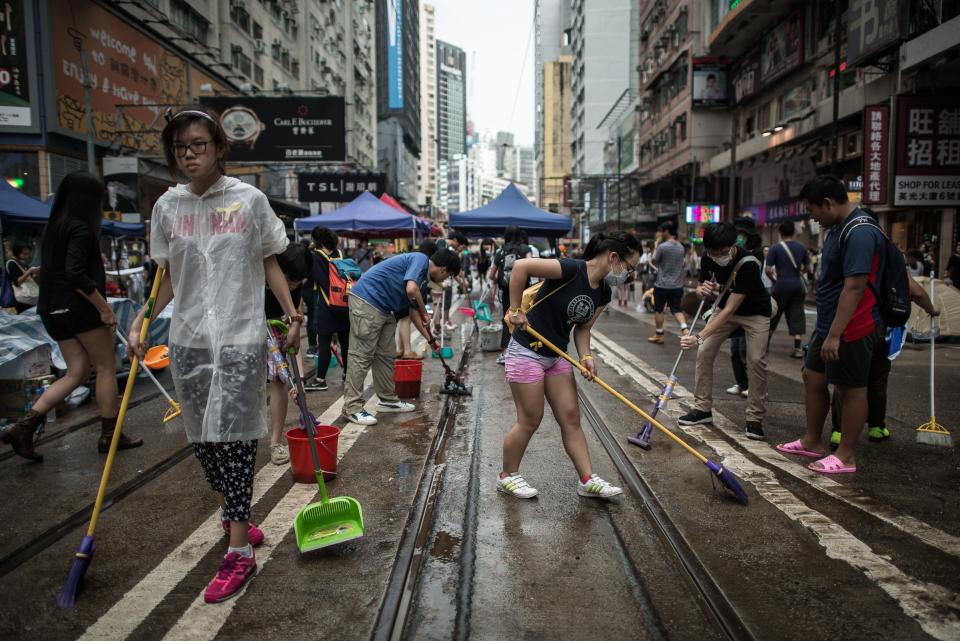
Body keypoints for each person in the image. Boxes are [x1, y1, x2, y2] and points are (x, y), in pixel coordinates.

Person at [127, 106, 302, 603]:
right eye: (180, 147)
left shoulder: (249, 200)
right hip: (188, 341)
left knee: (238, 439)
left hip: (240, 336)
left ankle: (239, 550)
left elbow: (270, 261)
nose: (189, 155)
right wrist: (141, 319)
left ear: (219, 147)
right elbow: (166, 279)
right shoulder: (167, 207)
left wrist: (291, 315)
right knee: (203, 440)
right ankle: (237, 518)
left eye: (198, 145)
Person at [2, 172, 141, 461]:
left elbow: (61, 269)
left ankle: (24, 427)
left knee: (76, 372)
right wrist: (104, 308)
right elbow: (76, 274)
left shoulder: (54, 227)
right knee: (105, 367)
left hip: (52, 310)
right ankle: (110, 435)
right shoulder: (80, 228)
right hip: (79, 309)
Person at [498, 232, 639, 500]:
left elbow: (582, 330)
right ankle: (507, 475)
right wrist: (515, 309)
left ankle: (586, 480)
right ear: (613, 258)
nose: (629, 275)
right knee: (531, 419)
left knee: (571, 418)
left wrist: (586, 357)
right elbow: (521, 266)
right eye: (629, 267)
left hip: (556, 355)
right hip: (527, 351)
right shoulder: (571, 269)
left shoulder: (604, 292)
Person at [775, 175, 886, 474]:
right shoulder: (837, 227)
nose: (811, 217)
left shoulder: (860, 231)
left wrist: (835, 335)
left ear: (828, 203)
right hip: (828, 323)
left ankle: (846, 455)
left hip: (853, 325)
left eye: (812, 210)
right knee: (813, 376)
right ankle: (812, 440)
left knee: (851, 389)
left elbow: (855, 287)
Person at [343, 248, 461, 426]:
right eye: (448, 276)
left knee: (385, 355)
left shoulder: (421, 278)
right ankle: (351, 408)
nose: (446, 280)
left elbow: (414, 315)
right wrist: (424, 311)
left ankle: (387, 400)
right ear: (444, 270)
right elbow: (412, 291)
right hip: (367, 301)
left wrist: (431, 341)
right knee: (361, 356)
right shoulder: (421, 259)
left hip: (384, 308)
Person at [678, 222, 772, 441]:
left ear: (733, 245)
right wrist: (702, 290)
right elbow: (702, 289)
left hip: (755, 312)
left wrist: (699, 336)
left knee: (756, 359)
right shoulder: (707, 257)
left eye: (721, 252)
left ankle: (754, 419)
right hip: (725, 307)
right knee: (704, 352)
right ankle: (702, 409)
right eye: (712, 251)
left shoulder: (748, 263)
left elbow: (730, 310)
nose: (717, 256)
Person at [829, 275, 940, 446]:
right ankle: (876, 427)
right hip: (882, 329)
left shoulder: (854, 258)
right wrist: (931, 309)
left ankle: (839, 431)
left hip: (852, 326)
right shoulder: (891, 258)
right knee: (878, 379)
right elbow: (917, 292)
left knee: (846, 381)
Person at [264, 243, 311, 465]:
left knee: (279, 383)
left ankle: (275, 443)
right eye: (289, 281)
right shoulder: (260, 279)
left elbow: (294, 346)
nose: (292, 287)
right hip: (254, 327)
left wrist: (298, 382)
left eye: (297, 282)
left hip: (278, 328)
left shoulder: (297, 285)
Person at [304, 226, 351, 391]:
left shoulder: (316, 257)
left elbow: (318, 280)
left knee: (324, 343)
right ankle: (347, 374)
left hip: (326, 306)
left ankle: (320, 379)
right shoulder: (340, 254)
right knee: (346, 342)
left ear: (317, 240)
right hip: (344, 304)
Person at [766, 221, 811, 358]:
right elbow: (808, 268)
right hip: (797, 285)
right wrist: (798, 273)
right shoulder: (802, 247)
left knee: (773, 314)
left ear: (780, 233)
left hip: (781, 285)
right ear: (793, 233)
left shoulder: (775, 248)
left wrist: (775, 280)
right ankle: (798, 349)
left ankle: (764, 345)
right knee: (797, 314)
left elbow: (768, 269)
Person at [491, 225, 533, 364]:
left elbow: (491, 274)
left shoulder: (500, 252)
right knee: (525, 320)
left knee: (507, 319)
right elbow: (533, 268)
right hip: (524, 292)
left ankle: (506, 353)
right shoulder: (526, 249)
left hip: (507, 292)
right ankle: (525, 352)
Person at [648, 222, 689, 343]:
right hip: (677, 285)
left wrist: (655, 246)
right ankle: (684, 328)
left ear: (666, 231)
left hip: (662, 285)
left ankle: (659, 334)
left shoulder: (663, 247)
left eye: (662, 231)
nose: (661, 233)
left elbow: (654, 260)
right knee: (676, 309)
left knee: (659, 310)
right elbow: (683, 264)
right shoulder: (681, 247)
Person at [5, 241, 39, 313]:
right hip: (22, 300)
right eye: (24, 254)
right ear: (17, 252)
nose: (26, 256)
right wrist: (29, 271)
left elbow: (27, 280)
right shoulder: (12, 263)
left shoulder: (22, 263)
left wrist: (34, 275)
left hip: (28, 298)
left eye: (28, 254)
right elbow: (17, 282)